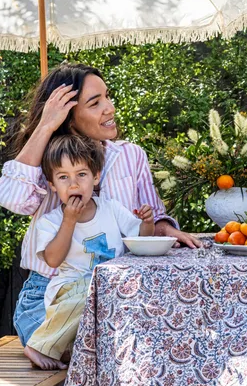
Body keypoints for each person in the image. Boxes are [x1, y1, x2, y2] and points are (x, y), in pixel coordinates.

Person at [0, 61, 201, 386]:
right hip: (55, 303)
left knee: (165, 350)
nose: (109, 108)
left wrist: (167, 227)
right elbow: (9, 198)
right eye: (94, 102)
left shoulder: (130, 156)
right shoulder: (56, 161)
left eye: (107, 96)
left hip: (121, 300)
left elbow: (153, 218)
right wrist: (46, 126)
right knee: (119, 351)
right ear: (68, 114)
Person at [25, 132, 154, 369]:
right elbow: (52, 260)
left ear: (96, 177)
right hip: (69, 292)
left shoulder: (111, 209)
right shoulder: (51, 222)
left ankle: (71, 349)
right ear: (52, 185)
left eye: (81, 174)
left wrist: (147, 223)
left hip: (110, 291)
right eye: (63, 177)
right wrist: (69, 221)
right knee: (96, 286)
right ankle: (38, 344)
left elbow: (141, 240)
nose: (73, 184)